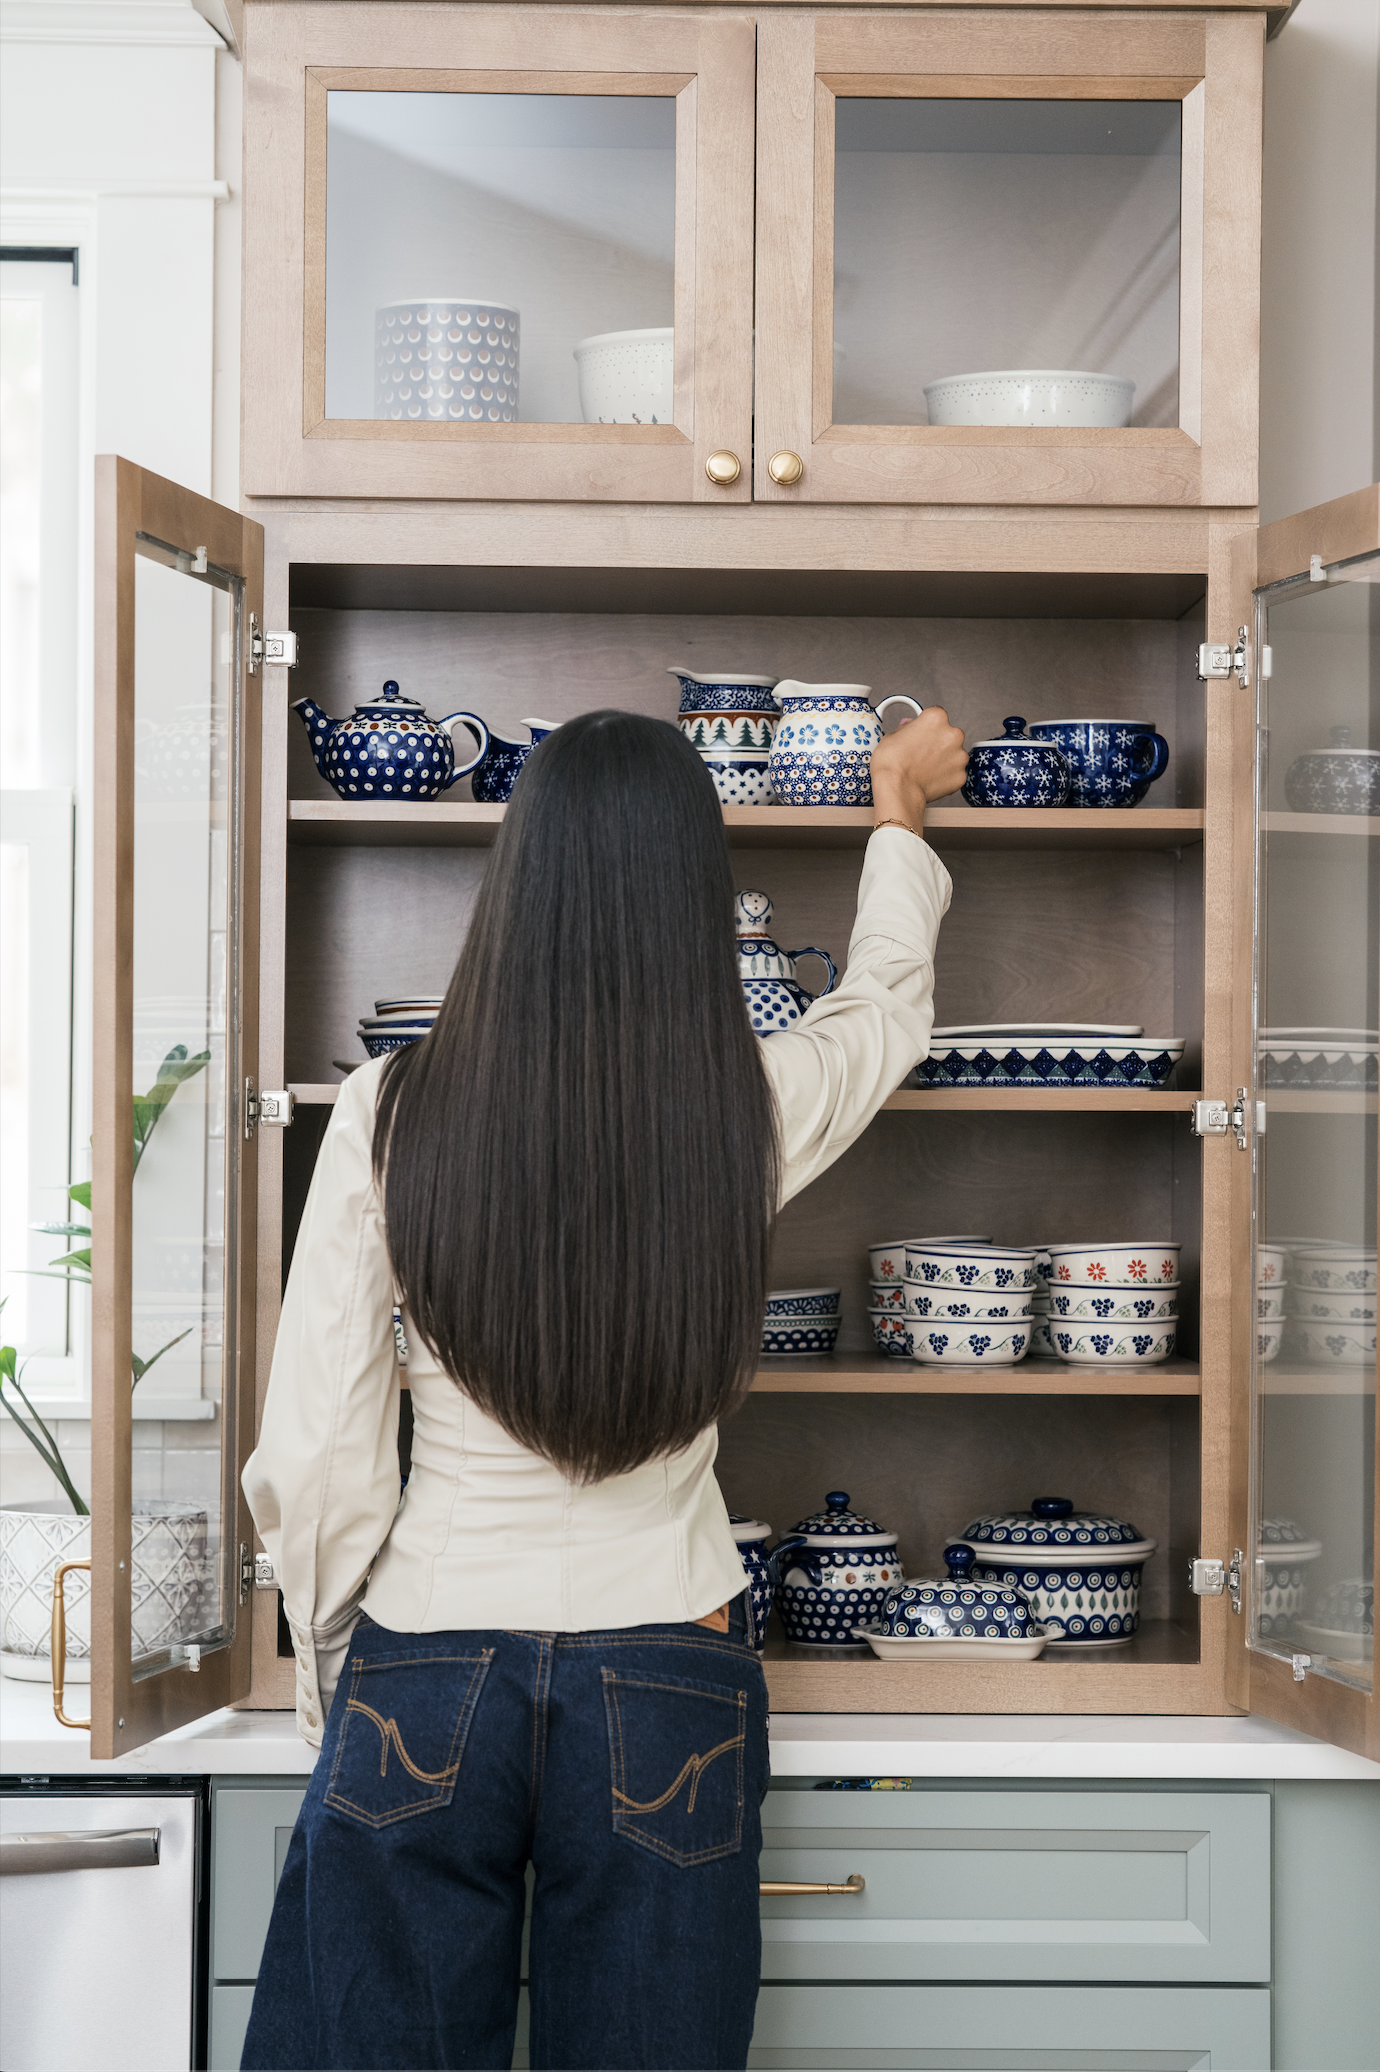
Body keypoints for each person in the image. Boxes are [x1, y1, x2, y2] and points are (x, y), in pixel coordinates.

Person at [240, 702, 967, 2072]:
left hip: (429, 1644)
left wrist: (342, 1673)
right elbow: (883, 1015)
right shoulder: (741, 1113)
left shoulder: (388, 1114)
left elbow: (321, 1456)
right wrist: (897, 809)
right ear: (691, 896)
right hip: (669, 1664)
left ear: (517, 885)